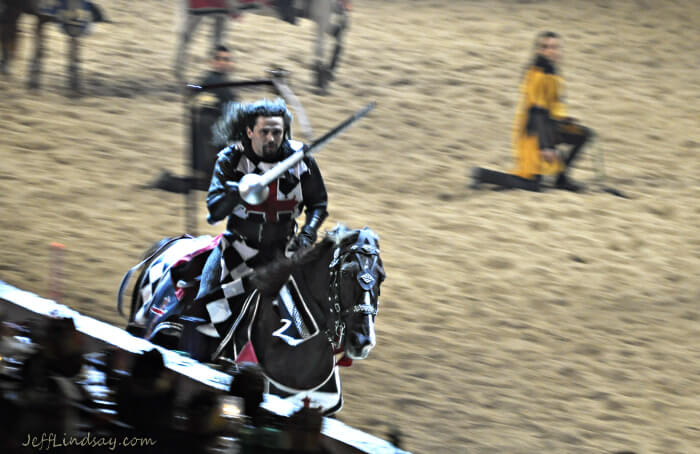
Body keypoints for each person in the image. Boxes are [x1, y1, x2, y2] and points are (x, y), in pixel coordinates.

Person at [194, 98, 328, 349]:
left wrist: (308, 234)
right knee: (207, 308)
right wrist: (235, 193)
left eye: (277, 132)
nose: (271, 138)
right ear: (249, 131)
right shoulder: (231, 159)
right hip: (239, 247)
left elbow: (318, 203)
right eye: (264, 131)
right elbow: (214, 212)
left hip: (285, 249)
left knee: (311, 314)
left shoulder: (302, 159)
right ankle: (197, 348)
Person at [472, 31, 594, 192]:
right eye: (546, 47)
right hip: (533, 132)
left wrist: (564, 120)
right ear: (538, 50)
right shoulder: (536, 75)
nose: (551, 51)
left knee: (583, 134)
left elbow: (551, 107)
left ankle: (561, 179)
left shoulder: (552, 72)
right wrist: (546, 147)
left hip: (548, 127)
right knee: (531, 183)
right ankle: (481, 174)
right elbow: (537, 112)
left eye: (555, 47)